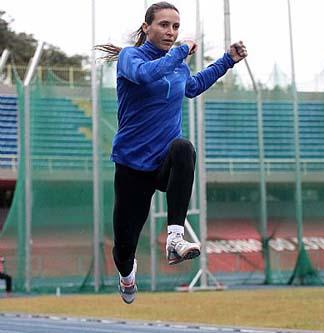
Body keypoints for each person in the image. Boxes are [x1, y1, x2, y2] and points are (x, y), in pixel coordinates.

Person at [95, 2, 247, 304]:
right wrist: (181, 51)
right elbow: (146, 76)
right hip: (132, 166)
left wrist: (227, 60)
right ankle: (127, 274)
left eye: (175, 27)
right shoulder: (130, 57)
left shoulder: (177, 64)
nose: (171, 31)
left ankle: (175, 236)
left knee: (184, 148)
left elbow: (191, 86)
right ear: (146, 27)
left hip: (163, 162)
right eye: (164, 25)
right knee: (124, 248)